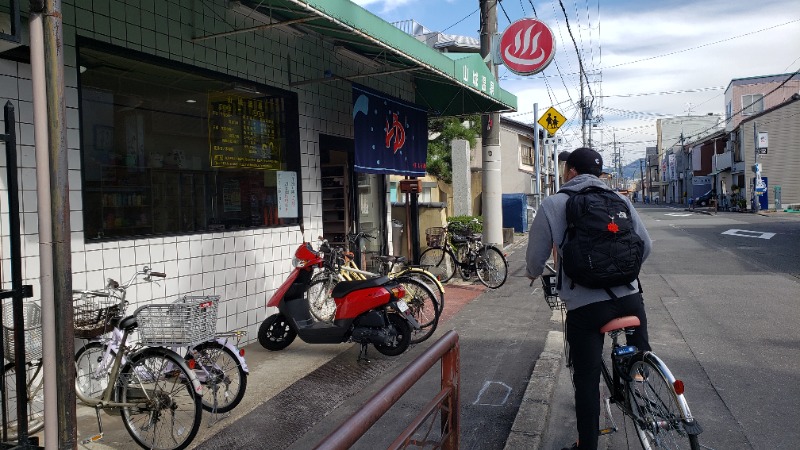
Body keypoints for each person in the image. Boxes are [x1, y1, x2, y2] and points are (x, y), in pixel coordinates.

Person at [525, 147, 653, 450]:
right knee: (640, 355)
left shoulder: (553, 204)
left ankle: (588, 446)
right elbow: (645, 246)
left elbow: (535, 257)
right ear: (599, 174)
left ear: (570, 172)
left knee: (586, 378)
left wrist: (532, 274)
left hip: (586, 307)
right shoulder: (620, 200)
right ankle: (642, 377)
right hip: (630, 298)